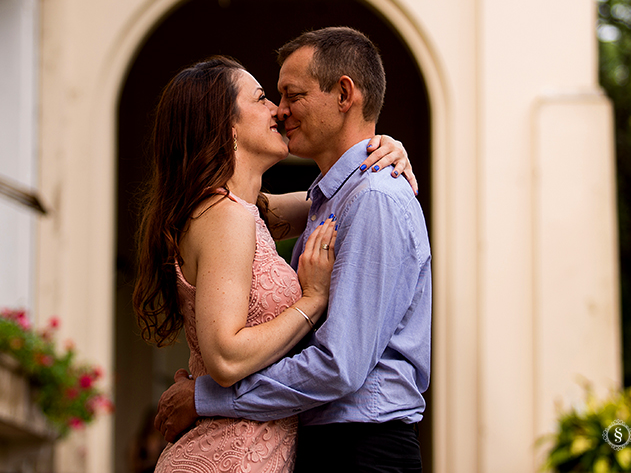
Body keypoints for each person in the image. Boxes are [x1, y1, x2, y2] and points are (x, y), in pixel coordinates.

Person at [155, 28, 432, 473]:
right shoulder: (313, 201)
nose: (280, 111)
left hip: (360, 448)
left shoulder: (371, 197)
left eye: (290, 95)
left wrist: (205, 398)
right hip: (303, 445)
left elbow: (340, 365)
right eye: (267, 98)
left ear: (344, 94)